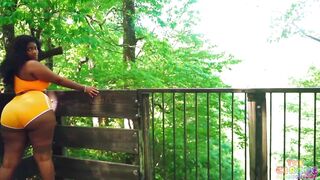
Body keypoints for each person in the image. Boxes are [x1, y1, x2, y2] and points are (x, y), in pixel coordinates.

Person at [0, 35, 99, 180]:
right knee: (43, 157)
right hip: (35, 109)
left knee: (8, 163)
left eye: (35, 48)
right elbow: (58, 79)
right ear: (22, 52)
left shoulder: (15, 70)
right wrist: (83, 88)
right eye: (29, 49)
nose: (34, 52)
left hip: (10, 112)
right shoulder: (32, 65)